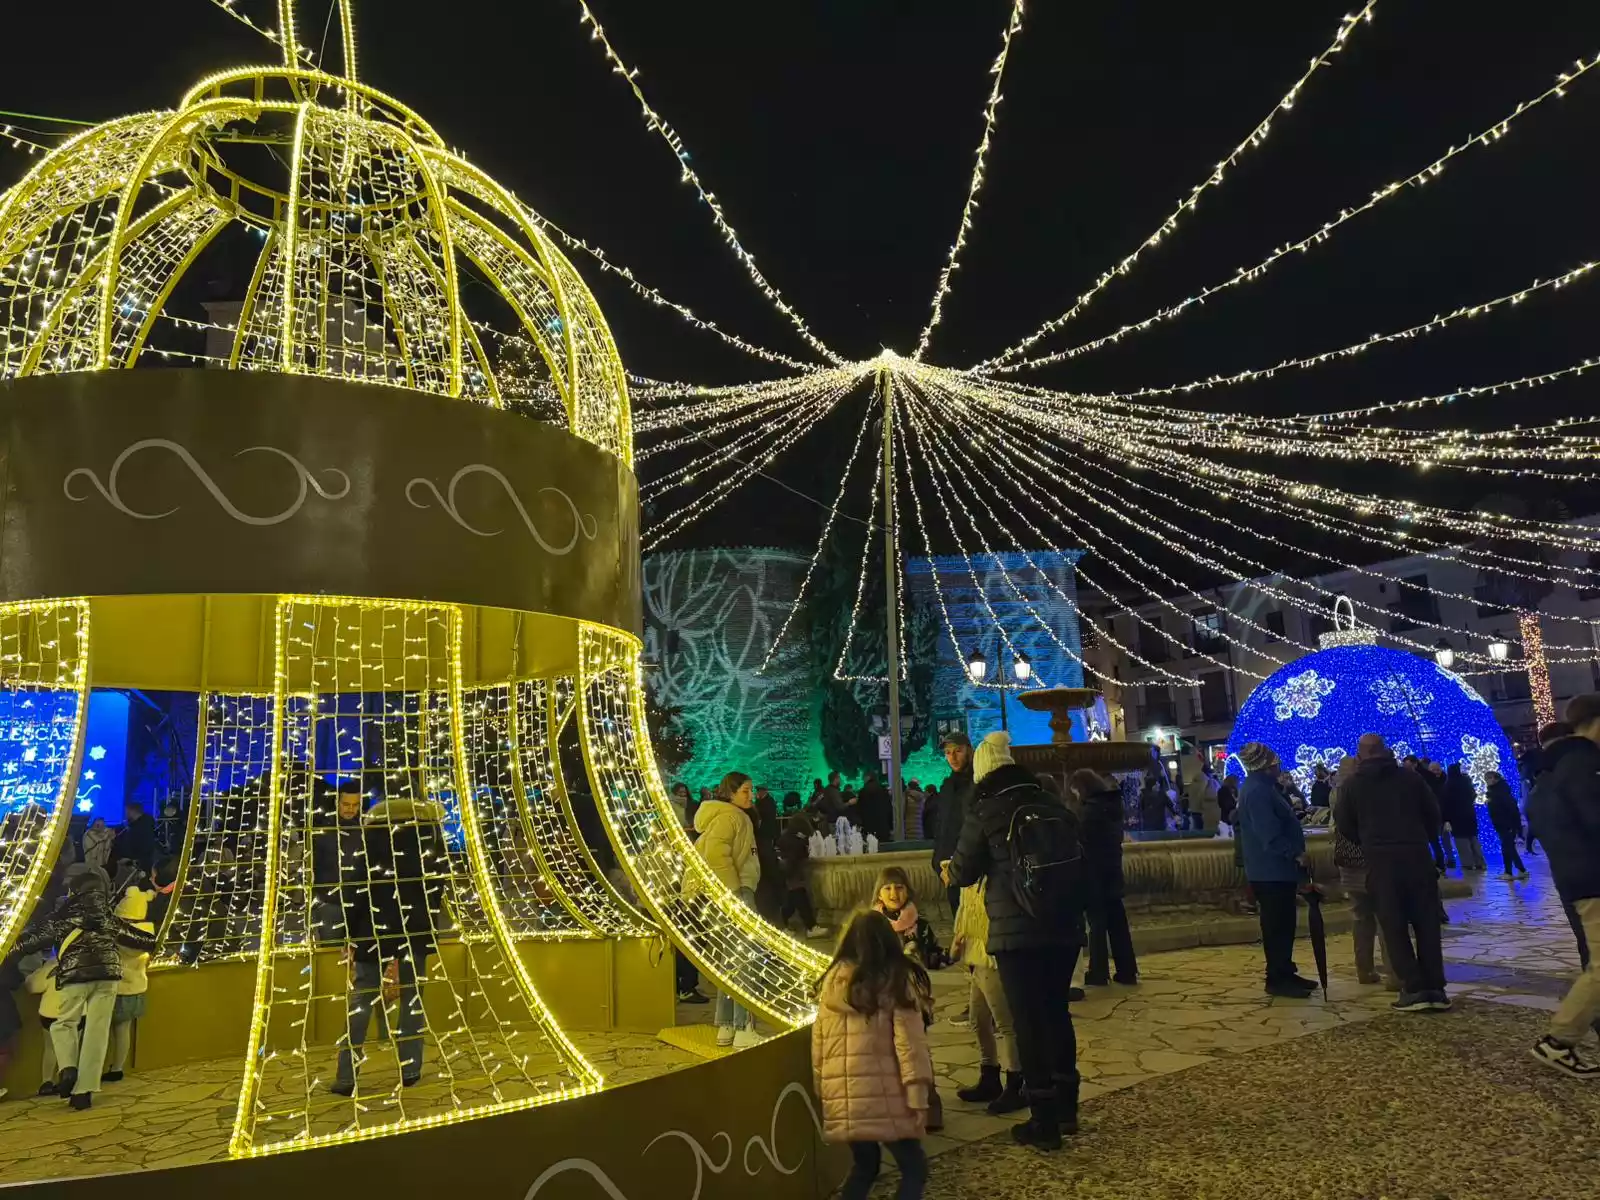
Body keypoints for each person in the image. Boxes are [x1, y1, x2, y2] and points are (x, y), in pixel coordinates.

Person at [948, 731, 1083, 1149]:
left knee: (1027, 1022)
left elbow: (963, 871)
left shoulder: (986, 808)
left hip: (1017, 931)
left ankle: (1042, 1121)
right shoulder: (1050, 800)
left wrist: (948, 872)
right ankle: (1067, 1109)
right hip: (1063, 924)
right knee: (1057, 1014)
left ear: (981, 770)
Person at [812, 909, 932, 1200]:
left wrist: (824, 1091)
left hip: (844, 1098)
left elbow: (819, 1046)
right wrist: (918, 1098)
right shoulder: (895, 983)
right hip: (887, 1097)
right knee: (915, 1168)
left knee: (865, 1166)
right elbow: (910, 1047)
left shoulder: (831, 984)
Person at [331, 796, 448, 1096]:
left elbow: (356, 885)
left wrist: (348, 932)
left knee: (362, 999)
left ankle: (347, 1075)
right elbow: (439, 881)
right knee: (412, 999)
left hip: (373, 926)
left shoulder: (373, 836)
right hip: (415, 927)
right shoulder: (430, 835)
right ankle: (410, 1068)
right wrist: (428, 912)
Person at [14, 867, 156, 1110]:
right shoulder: (109, 917)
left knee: (64, 1023)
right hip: (109, 978)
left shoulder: (62, 917)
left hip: (74, 976)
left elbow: (28, 943)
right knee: (97, 1032)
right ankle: (84, 1091)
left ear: (74, 892)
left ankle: (68, 1067)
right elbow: (145, 941)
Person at [1336, 733, 1449, 1013]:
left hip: (1381, 862)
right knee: (1427, 924)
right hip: (1417, 856)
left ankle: (1412, 987)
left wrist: (1369, 841)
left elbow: (1345, 825)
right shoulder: (1410, 778)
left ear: (1360, 755)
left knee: (1393, 926)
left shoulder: (1352, 786)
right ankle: (1435, 986)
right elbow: (1433, 814)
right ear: (1386, 751)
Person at [1527, 695, 1600, 1076]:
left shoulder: (1549, 772)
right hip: (1594, 877)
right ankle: (1559, 1041)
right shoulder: (1583, 764)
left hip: (1576, 877)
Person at [1234, 743, 1316, 998]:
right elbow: (1268, 832)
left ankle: (1285, 970)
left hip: (1275, 870)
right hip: (1270, 871)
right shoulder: (1258, 791)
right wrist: (1294, 853)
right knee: (1277, 926)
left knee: (1283, 924)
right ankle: (1277, 977)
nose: (1279, 767)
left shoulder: (1263, 788)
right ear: (1265, 766)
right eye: (1275, 763)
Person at [689, 771, 763, 1048]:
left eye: (750, 790)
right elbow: (716, 857)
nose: (750, 795)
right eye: (745, 790)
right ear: (730, 793)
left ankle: (727, 1026)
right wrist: (734, 892)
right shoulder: (731, 817)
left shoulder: (724, 816)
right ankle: (743, 1027)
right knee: (746, 960)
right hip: (737, 892)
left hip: (730, 893)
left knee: (731, 960)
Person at [950, 877, 1026, 1115]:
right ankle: (989, 1077)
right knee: (979, 1020)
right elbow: (965, 913)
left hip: (991, 958)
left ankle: (1016, 1084)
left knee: (1006, 1024)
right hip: (976, 957)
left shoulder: (993, 878)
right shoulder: (970, 881)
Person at [1330, 757, 1396, 989]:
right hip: (1372, 864)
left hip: (1349, 867)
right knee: (1387, 918)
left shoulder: (1337, 795)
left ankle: (1364, 969)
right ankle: (1394, 973)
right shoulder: (1364, 793)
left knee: (1361, 917)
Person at [1073, 769, 1137, 987]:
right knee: (1118, 923)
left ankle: (1099, 971)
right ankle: (1127, 970)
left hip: (1093, 875)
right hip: (1112, 871)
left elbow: (1081, 843)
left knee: (1097, 925)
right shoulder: (1112, 806)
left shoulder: (1088, 812)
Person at [104, 875, 158, 1082]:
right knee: (123, 1031)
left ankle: (102, 1066)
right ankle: (117, 1067)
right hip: (136, 989)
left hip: (116, 989)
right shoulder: (148, 933)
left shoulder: (120, 937)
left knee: (104, 1033)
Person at [311, 780, 365, 943]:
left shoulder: (365, 831)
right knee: (331, 952)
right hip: (331, 904)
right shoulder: (323, 831)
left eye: (355, 805)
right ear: (337, 803)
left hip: (358, 903)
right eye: (346, 804)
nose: (350, 809)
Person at [933, 733, 974, 920]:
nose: (953, 757)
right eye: (948, 752)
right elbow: (943, 827)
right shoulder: (948, 786)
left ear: (969, 751)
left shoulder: (977, 783)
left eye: (958, 751)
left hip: (972, 866)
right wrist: (938, 863)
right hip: (949, 867)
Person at [873, 866, 947, 969]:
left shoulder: (920, 925)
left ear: (907, 892)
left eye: (899, 887)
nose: (894, 893)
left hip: (910, 982)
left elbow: (933, 960)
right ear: (879, 895)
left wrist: (953, 953)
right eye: (887, 888)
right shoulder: (872, 924)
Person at [777, 811, 827, 937]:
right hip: (793, 873)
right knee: (800, 898)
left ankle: (779, 924)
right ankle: (811, 926)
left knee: (792, 902)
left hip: (791, 873)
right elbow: (797, 856)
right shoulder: (796, 839)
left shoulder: (788, 836)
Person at [1443, 763, 1486, 872]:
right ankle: (1480, 862)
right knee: (1473, 838)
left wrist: (1446, 818)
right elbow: (1473, 794)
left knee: (1462, 841)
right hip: (1470, 814)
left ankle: (1468, 863)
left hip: (1456, 816)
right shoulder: (1466, 781)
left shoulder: (1449, 784)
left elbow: (1447, 802)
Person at [752, 786, 786, 925]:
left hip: (766, 836)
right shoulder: (765, 802)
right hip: (765, 840)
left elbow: (765, 817)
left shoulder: (766, 803)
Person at [1485, 770, 1528, 879]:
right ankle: (1515, 871)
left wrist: (1514, 825)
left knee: (1507, 847)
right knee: (1509, 847)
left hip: (1506, 825)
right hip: (1502, 825)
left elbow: (1511, 809)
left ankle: (1513, 871)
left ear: (1496, 778)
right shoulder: (1495, 792)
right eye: (1487, 778)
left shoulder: (1500, 793)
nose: (1488, 781)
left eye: (1490, 778)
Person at [111, 799, 158, 875]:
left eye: (126, 812)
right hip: (130, 865)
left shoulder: (142, 828)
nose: (125, 815)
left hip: (136, 868)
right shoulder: (134, 826)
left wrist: (130, 860)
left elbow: (145, 849)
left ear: (132, 812)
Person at [857, 772, 894, 843]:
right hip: (883, 825)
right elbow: (889, 809)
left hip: (869, 825)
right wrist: (890, 826)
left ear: (867, 778)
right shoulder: (884, 790)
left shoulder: (863, 791)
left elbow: (859, 810)